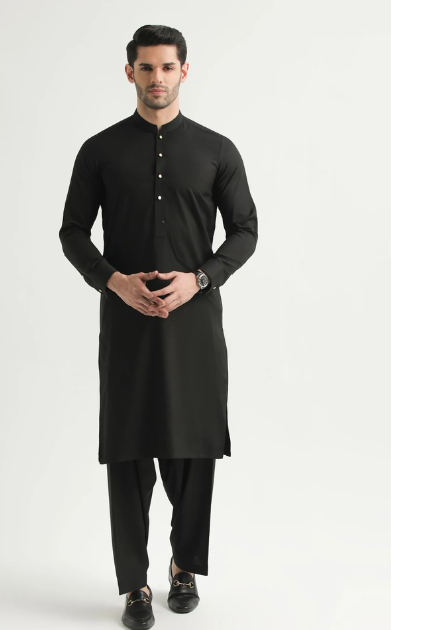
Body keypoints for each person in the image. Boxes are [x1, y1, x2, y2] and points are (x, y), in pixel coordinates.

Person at [58, 24, 258, 630]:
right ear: (130, 73)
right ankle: (135, 587)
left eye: (167, 67)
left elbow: (245, 230)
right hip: (127, 329)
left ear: (184, 71)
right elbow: (72, 232)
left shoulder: (217, 150)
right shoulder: (99, 150)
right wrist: (114, 282)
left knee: (195, 450)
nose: (157, 78)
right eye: (146, 68)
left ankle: (183, 567)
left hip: (195, 330)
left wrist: (200, 278)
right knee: (127, 454)